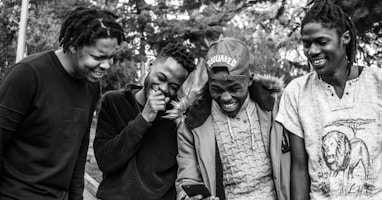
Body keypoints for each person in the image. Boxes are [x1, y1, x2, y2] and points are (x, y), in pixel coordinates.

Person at [0, 7, 124, 200]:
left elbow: (79, 150)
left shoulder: (91, 86)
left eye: (110, 57)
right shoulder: (27, 74)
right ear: (73, 45)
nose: (107, 65)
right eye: (98, 57)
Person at [276, 0, 382, 199]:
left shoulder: (377, 83)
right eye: (306, 44)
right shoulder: (297, 92)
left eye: (322, 42)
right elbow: (299, 167)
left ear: (345, 38)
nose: (312, 51)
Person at [175, 38, 290, 200]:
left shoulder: (276, 108)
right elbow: (186, 180)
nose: (226, 97)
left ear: (250, 79)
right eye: (217, 89)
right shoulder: (192, 125)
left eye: (234, 88)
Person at [93, 42, 196, 200]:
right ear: (151, 65)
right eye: (161, 78)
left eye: (173, 86)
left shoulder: (179, 117)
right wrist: (144, 119)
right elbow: (105, 161)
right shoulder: (114, 102)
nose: (163, 88)